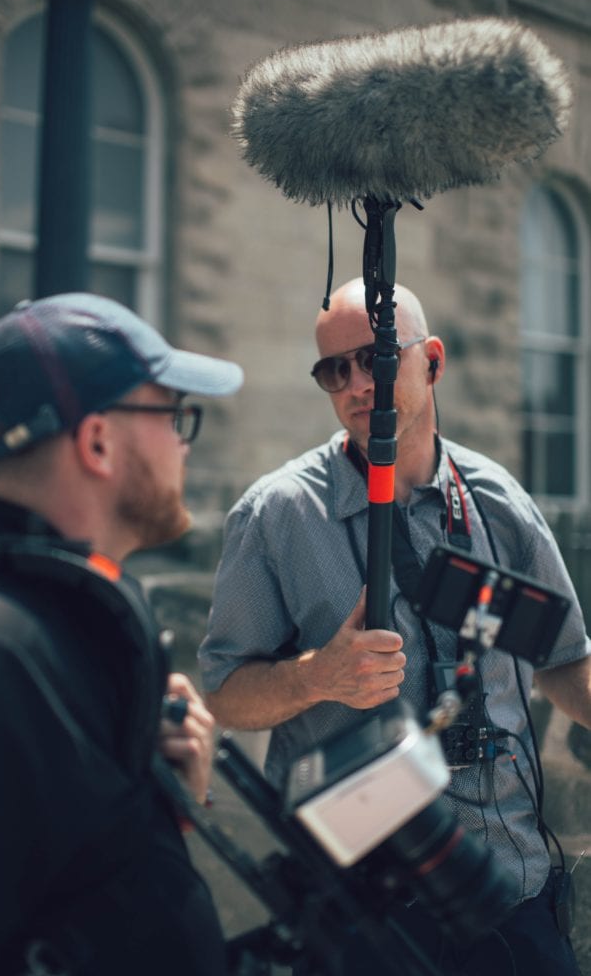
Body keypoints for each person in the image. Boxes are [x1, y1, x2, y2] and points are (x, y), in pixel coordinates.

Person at [199, 277, 591, 976]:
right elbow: (225, 694)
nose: (356, 384)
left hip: (508, 889)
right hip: (363, 913)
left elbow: (561, 659)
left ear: (431, 362)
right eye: (333, 370)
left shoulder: (499, 504)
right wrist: (318, 675)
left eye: (375, 359)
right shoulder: (277, 515)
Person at [0, 292, 243, 976]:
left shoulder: (69, 634)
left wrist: (163, 797)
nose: (183, 442)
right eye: (171, 415)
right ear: (97, 441)